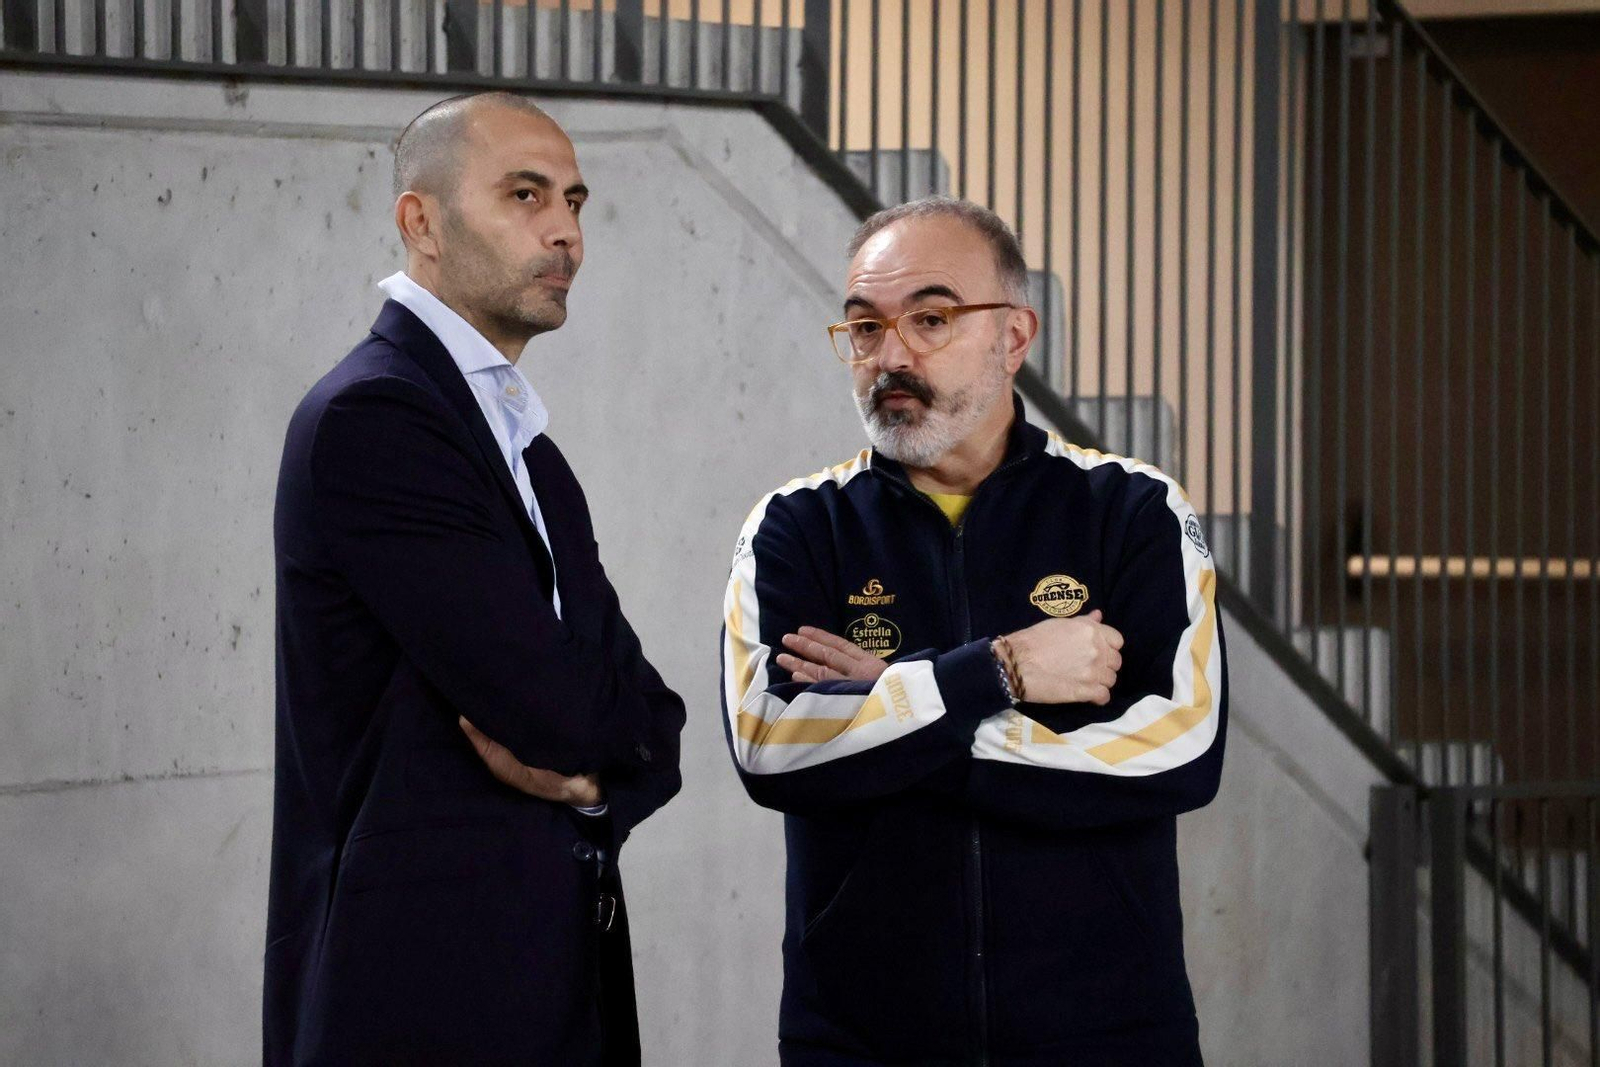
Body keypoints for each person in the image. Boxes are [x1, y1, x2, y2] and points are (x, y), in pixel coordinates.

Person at [720, 196, 1227, 1066]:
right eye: (865, 328)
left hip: (1108, 1036)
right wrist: (997, 670)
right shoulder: (797, 527)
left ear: (1015, 336)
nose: (892, 355)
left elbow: (1179, 747)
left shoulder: (1133, 510)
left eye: (931, 317)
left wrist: (890, 709)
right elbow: (773, 745)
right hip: (860, 1041)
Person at [266, 92, 684, 1066]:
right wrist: (595, 742)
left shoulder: (523, 445)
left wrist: (592, 781)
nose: (566, 231)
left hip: (546, 985)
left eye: (575, 202)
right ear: (422, 221)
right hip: (418, 996)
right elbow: (560, 706)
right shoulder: (377, 418)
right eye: (526, 195)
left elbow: (657, 721)